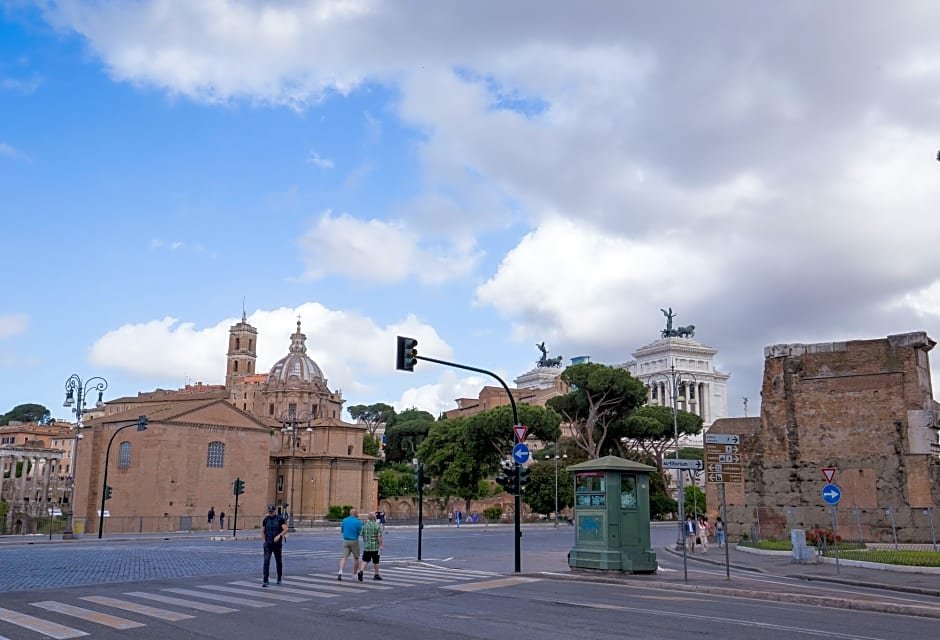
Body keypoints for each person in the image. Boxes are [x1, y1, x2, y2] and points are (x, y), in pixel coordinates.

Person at [261, 504, 287, 587]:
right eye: (269, 512)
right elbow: (263, 530)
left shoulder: (280, 519)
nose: (270, 513)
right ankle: (265, 580)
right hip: (268, 544)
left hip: (277, 544)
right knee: (266, 561)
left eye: (272, 511)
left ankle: (279, 578)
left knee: (278, 561)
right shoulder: (266, 520)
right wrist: (263, 540)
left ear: (274, 511)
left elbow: (285, 529)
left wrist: (279, 535)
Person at [338, 507, 363, 581]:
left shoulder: (344, 520)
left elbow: (342, 531)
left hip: (346, 541)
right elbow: (360, 532)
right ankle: (354, 574)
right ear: (356, 514)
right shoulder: (358, 521)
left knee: (344, 557)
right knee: (356, 558)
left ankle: (340, 571)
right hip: (354, 541)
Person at [360, 512, 384, 581]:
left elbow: (362, 534)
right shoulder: (377, 525)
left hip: (367, 547)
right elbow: (379, 536)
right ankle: (376, 575)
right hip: (375, 547)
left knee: (365, 560)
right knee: (376, 561)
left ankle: (361, 571)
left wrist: (366, 541)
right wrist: (381, 545)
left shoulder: (365, 525)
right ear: (374, 518)